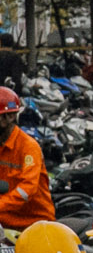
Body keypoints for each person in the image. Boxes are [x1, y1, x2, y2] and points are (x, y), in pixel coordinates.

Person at [0, 88, 50, 230]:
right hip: (5, 222)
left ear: (8, 117)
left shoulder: (28, 147)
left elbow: (27, 189)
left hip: (32, 224)